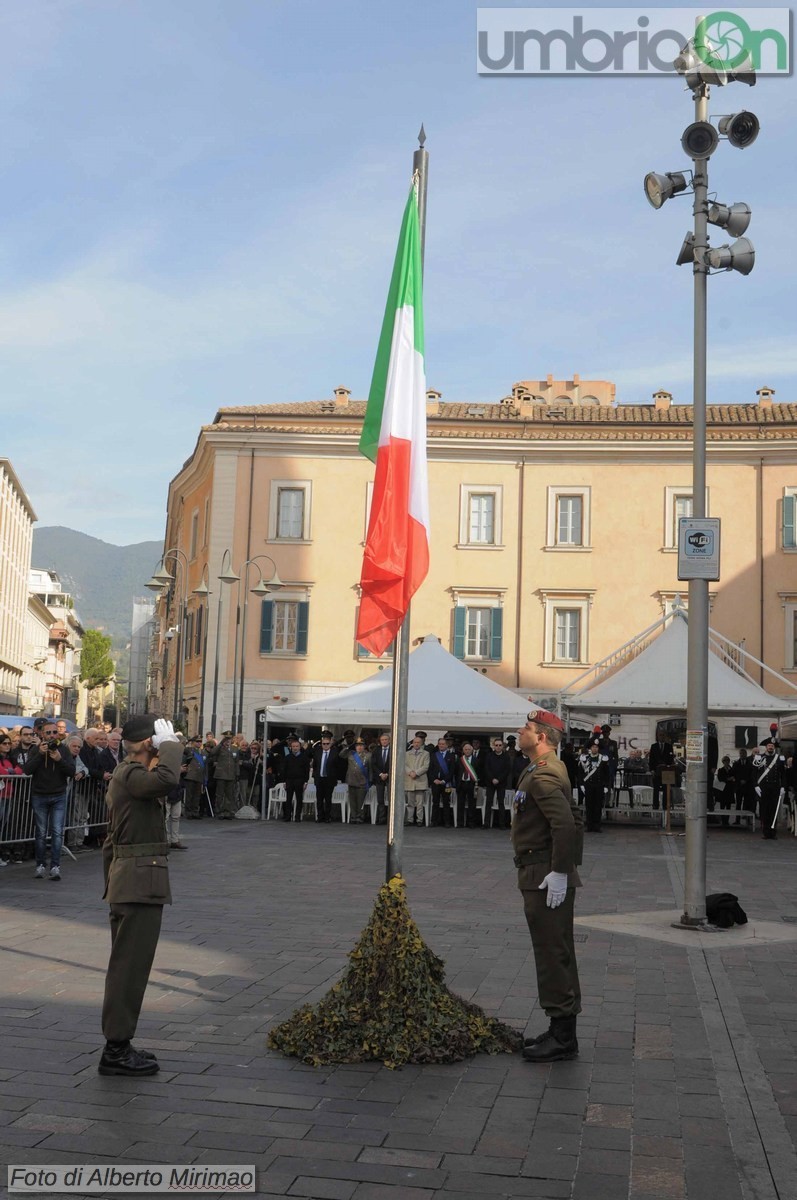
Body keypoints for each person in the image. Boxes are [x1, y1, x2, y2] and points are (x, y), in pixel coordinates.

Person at [98, 716, 181, 1076]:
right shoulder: (131, 773)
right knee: (128, 970)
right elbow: (167, 779)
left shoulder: (130, 774)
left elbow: (108, 844)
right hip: (137, 883)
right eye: (160, 739)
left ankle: (121, 1043)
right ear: (149, 743)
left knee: (130, 967)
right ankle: (115, 1049)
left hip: (130, 881)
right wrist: (171, 747)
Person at [512, 709, 583, 1063]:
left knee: (551, 953)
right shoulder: (542, 768)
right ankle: (560, 1028)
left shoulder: (543, 776)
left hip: (544, 875)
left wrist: (559, 871)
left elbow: (565, 826)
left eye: (525, 728)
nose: (519, 731)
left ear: (541, 737)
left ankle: (563, 1037)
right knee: (556, 949)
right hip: (542, 871)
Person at [23, 720, 75, 881]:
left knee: (58, 832)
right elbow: (27, 770)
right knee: (40, 832)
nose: (52, 735)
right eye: (48, 733)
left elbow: (71, 771)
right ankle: (40, 865)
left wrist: (59, 759)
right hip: (40, 795)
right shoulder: (35, 750)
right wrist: (40, 754)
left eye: (54, 732)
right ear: (42, 734)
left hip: (59, 795)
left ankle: (55, 866)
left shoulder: (63, 750)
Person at [752, 739, 787, 840]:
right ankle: (766, 832)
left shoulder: (780, 758)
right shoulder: (760, 757)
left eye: (772, 745)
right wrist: (755, 785)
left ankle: (773, 831)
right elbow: (754, 773)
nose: (770, 747)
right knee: (764, 810)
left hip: (775, 788)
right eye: (769, 745)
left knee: (774, 810)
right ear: (766, 747)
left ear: (774, 747)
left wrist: (783, 786)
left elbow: (783, 774)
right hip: (764, 788)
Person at [578, 739, 611, 832]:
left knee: (598, 806)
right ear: (590, 748)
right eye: (593, 747)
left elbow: (606, 774)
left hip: (599, 785)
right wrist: (581, 784)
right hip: (588, 785)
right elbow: (580, 773)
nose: (594, 749)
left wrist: (606, 786)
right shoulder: (584, 759)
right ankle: (589, 825)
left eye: (596, 747)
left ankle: (597, 825)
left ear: (598, 748)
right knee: (589, 805)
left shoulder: (603, 759)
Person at [207, 732, 240, 819]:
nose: (228, 741)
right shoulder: (220, 748)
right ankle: (219, 812)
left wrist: (237, 773)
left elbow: (236, 762)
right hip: (221, 774)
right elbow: (212, 753)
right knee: (220, 794)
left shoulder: (234, 749)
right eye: (226, 739)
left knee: (229, 794)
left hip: (230, 775)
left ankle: (227, 812)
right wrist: (221, 743)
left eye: (229, 739)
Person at [484, 737, 512, 829]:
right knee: (488, 802)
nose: (498, 747)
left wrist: (498, 779)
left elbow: (506, 770)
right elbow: (487, 769)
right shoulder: (489, 756)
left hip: (501, 783)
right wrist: (492, 779)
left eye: (500, 745)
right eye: (496, 745)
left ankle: (502, 824)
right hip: (490, 782)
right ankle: (486, 824)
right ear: (493, 746)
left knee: (501, 803)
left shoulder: (506, 757)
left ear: (502, 746)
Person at [429, 736, 457, 827]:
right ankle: (434, 821)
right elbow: (430, 769)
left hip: (446, 783)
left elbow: (452, 771)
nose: (441, 745)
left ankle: (447, 822)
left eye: (443, 744)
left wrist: (444, 780)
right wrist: (434, 779)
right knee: (435, 802)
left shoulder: (451, 756)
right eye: (440, 744)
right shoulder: (434, 755)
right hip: (436, 783)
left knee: (446, 802)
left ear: (447, 745)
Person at [312, 732, 339, 823]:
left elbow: (337, 766)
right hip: (319, 778)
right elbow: (315, 765)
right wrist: (315, 776)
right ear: (321, 744)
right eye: (324, 744)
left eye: (328, 743)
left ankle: (327, 817)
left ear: (330, 743)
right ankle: (320, 816)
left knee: (328, 799)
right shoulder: (317, 751)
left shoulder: (335, 752)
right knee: (319, 799)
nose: (326, 745)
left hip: (329, 779)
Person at [282, 736, 310, 821]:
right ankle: (288, 816)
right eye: (293, 746)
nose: (295, 748)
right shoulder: (287, 757)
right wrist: (284, 781)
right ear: (291, 747)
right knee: (288, 799)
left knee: (299, 799)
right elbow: (284, 770)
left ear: (300, 747)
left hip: (300, 780)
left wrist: (305, 782)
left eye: (297, 746)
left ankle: (297, 816)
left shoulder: (304, 758)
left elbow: (307, 771)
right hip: (289, 780)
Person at [404, 734, 429, 826]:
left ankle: (419, 820)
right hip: (409, 779)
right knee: (410, 803)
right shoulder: (406, 754)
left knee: (419, 803)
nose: (416, 744)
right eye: (415, 742)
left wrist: (416, 773)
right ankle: (410, 819)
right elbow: (404, 765)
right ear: (412, 743)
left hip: (420, 780)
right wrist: (410, 772)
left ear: (422, 743)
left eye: (418, 742)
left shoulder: (426, 753)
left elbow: (426, 766)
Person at [345, 738, 370, 823]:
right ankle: (353, 816)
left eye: (361, 745)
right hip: (351, 780)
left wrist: (370, 780)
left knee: (360, 801)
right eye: (357, 745)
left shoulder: (368, 755)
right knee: (352, 801)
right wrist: (348, 746)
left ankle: (360, 817)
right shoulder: (351, 755)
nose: (359, 747)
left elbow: (370, 768)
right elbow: (341, 754)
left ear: (364, 747)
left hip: (362, 781)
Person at [455, 742, 479, 828]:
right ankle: (460, 823)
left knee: (472, 804)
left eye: (469, 749)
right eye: (465, 749)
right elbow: (456, 772)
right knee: (460, 804)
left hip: (471, 784)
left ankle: (471, 823)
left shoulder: (476, 760)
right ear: (463, 750)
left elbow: (479, 772)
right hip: (461, 784)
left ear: (472, 750)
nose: (467, 751)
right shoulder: (459, 760)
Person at [182, 736, 207, 819]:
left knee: (197, 796)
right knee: (189, 795)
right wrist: (188, 741)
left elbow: (205, 766)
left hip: (199, 776)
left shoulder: (203, 752)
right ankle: (188, 812)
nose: (199, 743)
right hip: (191, 776)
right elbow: (182, 748)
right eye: (197, 741)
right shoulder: (189, 750)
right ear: (193, 742)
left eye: (200, 741)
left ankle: (195, 812)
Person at [369, 733, 391, 825]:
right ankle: (382, 819)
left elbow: (396, 763)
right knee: (380, 799)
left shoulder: (393, 750)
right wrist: (381, 774)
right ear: (380, 741)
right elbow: (373, 764)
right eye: (382, 740)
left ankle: (391, 819)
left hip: (390, 778)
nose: (384, 741)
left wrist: (388, 774)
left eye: (386, 739)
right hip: (379, 777)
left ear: (389, 740)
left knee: (391, 799)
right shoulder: (376, 750)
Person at [649, 736, 675, 811]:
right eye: (660, 736)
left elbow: (671, 757)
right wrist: (652, 770)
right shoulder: (654, 746)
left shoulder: (669, 746)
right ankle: (655, 805)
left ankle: (665, 805)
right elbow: (651, 759)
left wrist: (669, 766)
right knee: (656, 789)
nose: (662, 738)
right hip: (657, 771)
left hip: (666, 771)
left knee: (666, 789)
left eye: (663, 736)